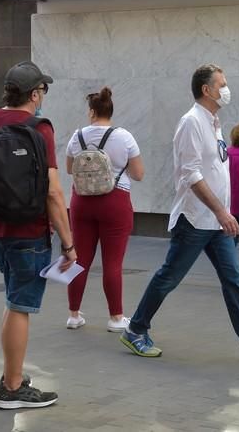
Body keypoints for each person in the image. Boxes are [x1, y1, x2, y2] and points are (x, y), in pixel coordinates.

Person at [119, 63, 239, 361]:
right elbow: (191, 175)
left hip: (214, 219)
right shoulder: (191, 122)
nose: (226, 89)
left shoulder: (213, 122)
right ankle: (135, 329)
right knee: (169, 276)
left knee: (233, 280)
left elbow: (216, 169)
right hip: (195, 219)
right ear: (206, 90)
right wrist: (222, 212)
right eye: (221, 84)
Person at [0, 61, 76, 409]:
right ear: (34, 94)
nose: (43, 96)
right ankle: (13, 389)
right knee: (21, 307)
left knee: (13, 301)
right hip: (29, 232)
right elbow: (53, 193)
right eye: (42, 90)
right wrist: (68, 241)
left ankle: (11, 375)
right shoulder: (39, 128)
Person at [65, 87, 145, 332]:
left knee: (79, 260)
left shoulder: (76, 136)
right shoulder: (125, 137)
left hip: (81, 202)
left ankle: (74, 315)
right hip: (115, 201)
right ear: (111, 111)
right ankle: (115, 318)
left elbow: (69, 170)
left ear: (91, 112)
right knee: (112, 263)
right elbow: (139, 174)